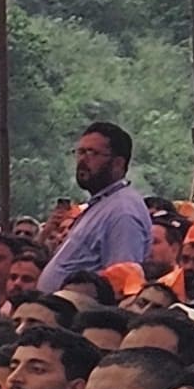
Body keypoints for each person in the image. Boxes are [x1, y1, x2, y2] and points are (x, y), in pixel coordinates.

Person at [39, 119, 158, 288]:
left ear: (118, 163)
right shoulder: (103, 204)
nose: (82, 160)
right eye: (80, 152)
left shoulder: (123, 211)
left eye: (92, 153)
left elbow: (121, 282)